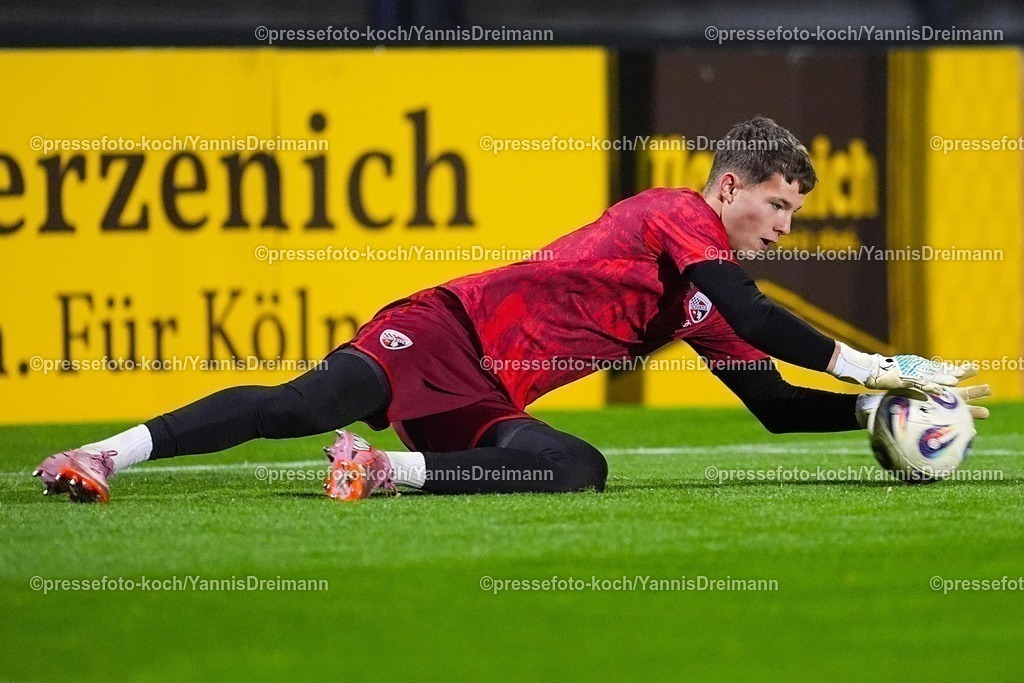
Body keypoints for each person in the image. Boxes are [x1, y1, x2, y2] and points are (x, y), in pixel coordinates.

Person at [33, 116, 990, 503]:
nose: (783, 226)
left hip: (488, 390)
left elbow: (773, 397)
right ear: (732, 184)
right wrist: (877, 365)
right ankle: (100, 455)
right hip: (450, 326)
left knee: (577, 465)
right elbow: (760, 306)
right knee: (298, 406)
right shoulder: (675, 216)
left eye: (793, 213)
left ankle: (383, 469)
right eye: (777, 204)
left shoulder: (703, 295)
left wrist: (871, 410)